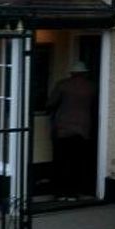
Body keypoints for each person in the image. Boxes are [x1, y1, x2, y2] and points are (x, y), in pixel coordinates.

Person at [47, 61, 97, 200]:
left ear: (72, 73)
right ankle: (73, 193)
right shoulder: (91, 87)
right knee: (77, 163)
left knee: (61, 162)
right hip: (83, 130)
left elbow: (50, 103)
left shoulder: (63, 85)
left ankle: (59, 193)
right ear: (85, 73)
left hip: (63, 130)